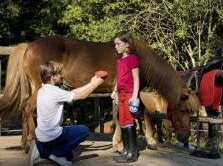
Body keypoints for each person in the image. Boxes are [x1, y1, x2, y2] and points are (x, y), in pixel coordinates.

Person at [29, 61, 104, 166]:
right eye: (59, 73)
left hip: (42, 135)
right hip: (52, 136)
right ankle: (57, 154)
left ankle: (39, 147)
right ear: (53, 77)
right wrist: (95, 85)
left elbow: (72, 93)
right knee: (84, 131)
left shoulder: (43, 90)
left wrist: (90, 84)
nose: (61, 75)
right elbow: (81, 96)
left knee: (69, 156)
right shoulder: (55, 92)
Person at [111, 31, 140, 163]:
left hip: (129, 94)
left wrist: (134, 96)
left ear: (127, 44)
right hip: (121, 93)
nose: (116, 46)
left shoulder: (132, 58)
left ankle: (132, 153)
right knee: (122, 121)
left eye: (118, 44)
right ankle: (126, 150)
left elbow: (136, 79)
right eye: (115, 44)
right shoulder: (119, 60)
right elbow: (120, 78)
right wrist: (115, 90)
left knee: (129, 121)